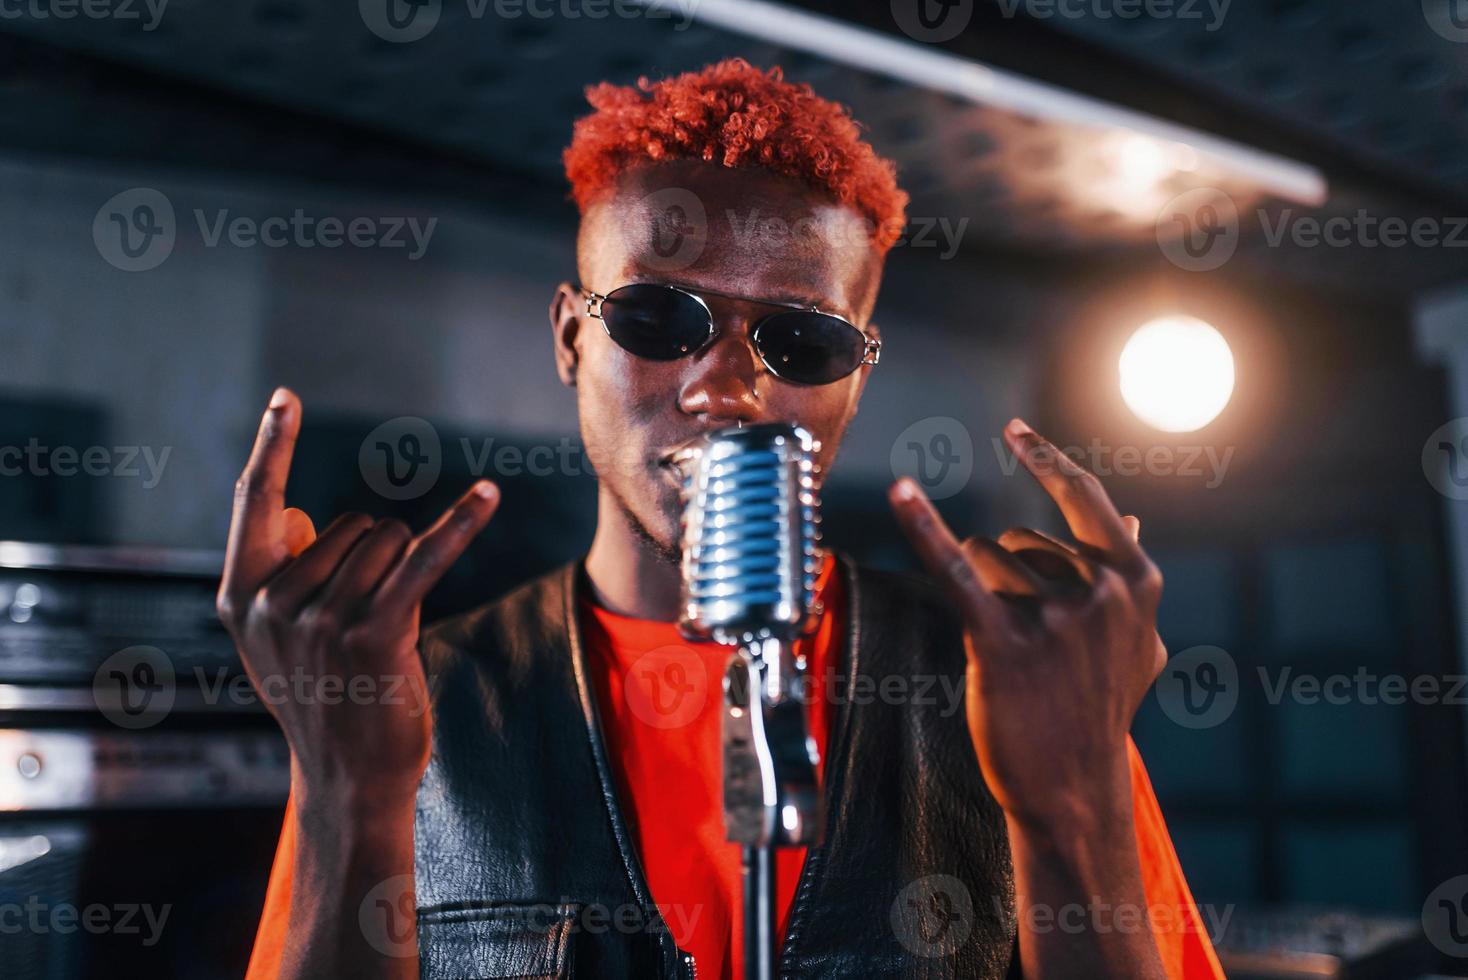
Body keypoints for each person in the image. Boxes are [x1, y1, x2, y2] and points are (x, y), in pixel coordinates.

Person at [227, 59, 1225, 979]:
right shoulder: (407, 694)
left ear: (855, 380)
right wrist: (345, 796)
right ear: (573, 338)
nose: (727, 386)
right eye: (660, 319)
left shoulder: (1010, 673)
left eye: (799, 338)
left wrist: (1076, 802)